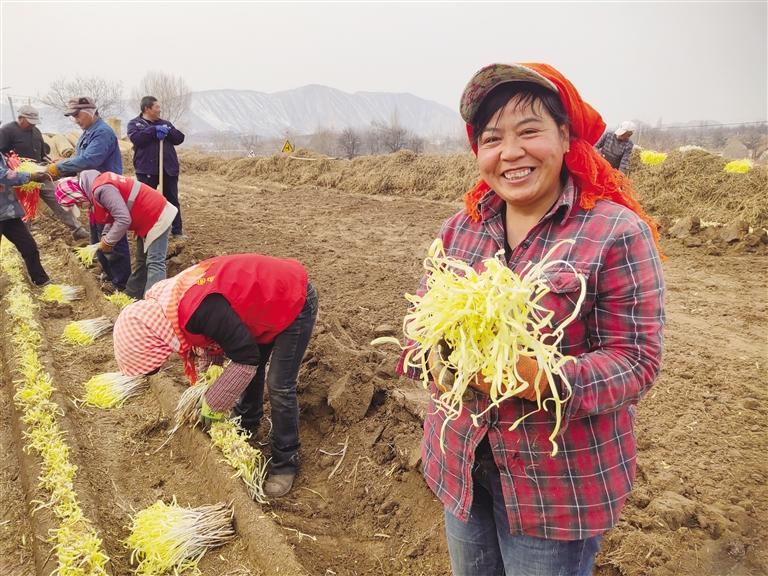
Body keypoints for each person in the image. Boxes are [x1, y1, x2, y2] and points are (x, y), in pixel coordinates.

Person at [397, 63, 665, 575]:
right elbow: (422, 327)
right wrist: (430, 357)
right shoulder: (462, 229)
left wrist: (541, 379)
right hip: (463, 467)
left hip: (554, 486)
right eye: (492, 138)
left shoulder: (615, 232)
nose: (510, 152)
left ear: (565, 136)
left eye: (529, 131)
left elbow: (636, 363)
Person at [112, 254, 318, 497]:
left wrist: (214, 403)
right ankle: (246, 424)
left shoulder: (196, 310)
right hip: (260, 305)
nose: (163, 361)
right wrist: (211, 385)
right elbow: (219, 348)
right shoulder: (167, 307)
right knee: (253, 364)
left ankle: (286, 461)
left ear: (152, 340)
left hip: (291, 298)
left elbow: (245, 359)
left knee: (279, 384)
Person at [45, 97, 131, 292]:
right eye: (72, 116)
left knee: (111, 237)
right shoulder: (87, 132)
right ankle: (108, 273)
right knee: (96, 235)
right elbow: (81, 160)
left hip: (107, 192)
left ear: (90, 111)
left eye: (77, 114)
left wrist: (58, 167)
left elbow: (90, 160)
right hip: (93, 193)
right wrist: (62, 163)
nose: (75, 119)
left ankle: (121, 283)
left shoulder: (102, 133)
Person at [54, 170, 177, 298]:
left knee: (155, 262)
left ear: (77, 194)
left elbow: (123, 219)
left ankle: (154, 303)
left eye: (78, 203)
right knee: (142, 261)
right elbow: (113, 214)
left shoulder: (102, 189)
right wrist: (105, 235)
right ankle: (131, 296)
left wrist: (108, 241)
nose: (80, 206)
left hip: (157, 214)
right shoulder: (96, 187)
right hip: (146, 216)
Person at [0, 105, 89, 240]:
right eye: (30, 121)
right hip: (22, 179)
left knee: (57, 199)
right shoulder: (7, 131)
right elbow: (2, 156)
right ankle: (25, 239)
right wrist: (16, 169)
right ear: (21, 118)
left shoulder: (36, 132)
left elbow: (42, 154)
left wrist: (50, 163)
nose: (32, 125)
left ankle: (77, 229)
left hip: (40, 174)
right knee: (25, 209)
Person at [127, 96, 186, 238]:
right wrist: (153, 131)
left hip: (168, 168)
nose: (160, 110)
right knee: (145, 201)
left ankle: (176, 231)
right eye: (157, 107)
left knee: (172, 200)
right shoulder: (135, 124)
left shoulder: (165, 123)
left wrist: (169, 131)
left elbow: (179, 138)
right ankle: (144, 230)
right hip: (146, 169)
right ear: (147, 109)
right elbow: (137, 139)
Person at [0, 152, 51, 286]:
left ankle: (41, 280)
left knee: (28, 246)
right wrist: (30, 176)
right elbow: (3, 175)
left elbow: (10, 167)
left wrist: (38, 169)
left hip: (8, 211)